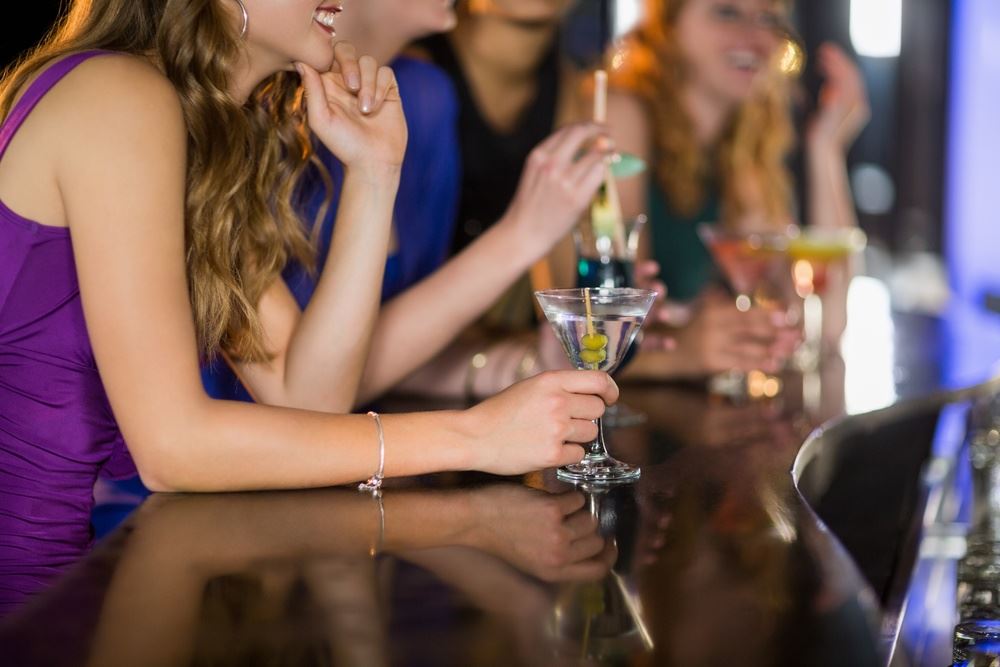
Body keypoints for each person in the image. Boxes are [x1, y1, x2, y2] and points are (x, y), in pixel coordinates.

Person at [0, 0, 617, 613]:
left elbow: (308, 397)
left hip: (78, 580)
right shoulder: (117, 94)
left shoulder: (197, 137)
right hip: (31, 599)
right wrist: (473, 436)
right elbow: (173, 448)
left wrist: (375, 172)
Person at [202, 0, 611, 406]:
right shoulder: (210, 120)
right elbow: (305, 397)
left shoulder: (420, 98)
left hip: (323, 442)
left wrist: (526, 364)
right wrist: (521, 235)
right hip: (265, 447)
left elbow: (368, 360)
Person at [605, 0, 869, 380]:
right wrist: (688, 348)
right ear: (668, 23)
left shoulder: (746, 148)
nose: (756, 37)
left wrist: (826, 149)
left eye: (768, 19)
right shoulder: (623, 116)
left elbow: (821, 326)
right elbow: (607, 332)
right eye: (726, 12)